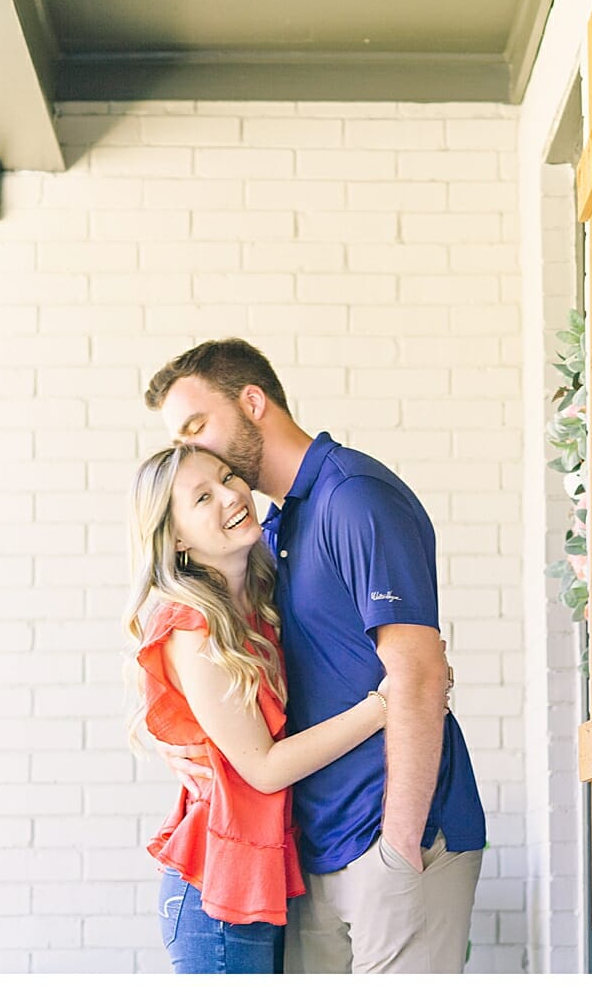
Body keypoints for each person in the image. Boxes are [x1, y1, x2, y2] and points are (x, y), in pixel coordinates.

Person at [146, 339, 484, 975]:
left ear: (252, 402)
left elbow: (417, 671)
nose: (192, 451)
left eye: (197, 427)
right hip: (314, 856)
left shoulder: (353, 498)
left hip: (391, 839)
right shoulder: (276, 530)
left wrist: (400, 845)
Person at [126, 441, 395, 972]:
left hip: (262, 878)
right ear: (175, 537)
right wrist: (385, 705)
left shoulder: (260, 594)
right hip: (217, 898)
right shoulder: (193, 627)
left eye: (228, 477)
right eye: (202, 497)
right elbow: (264, 769)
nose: (231, 496)